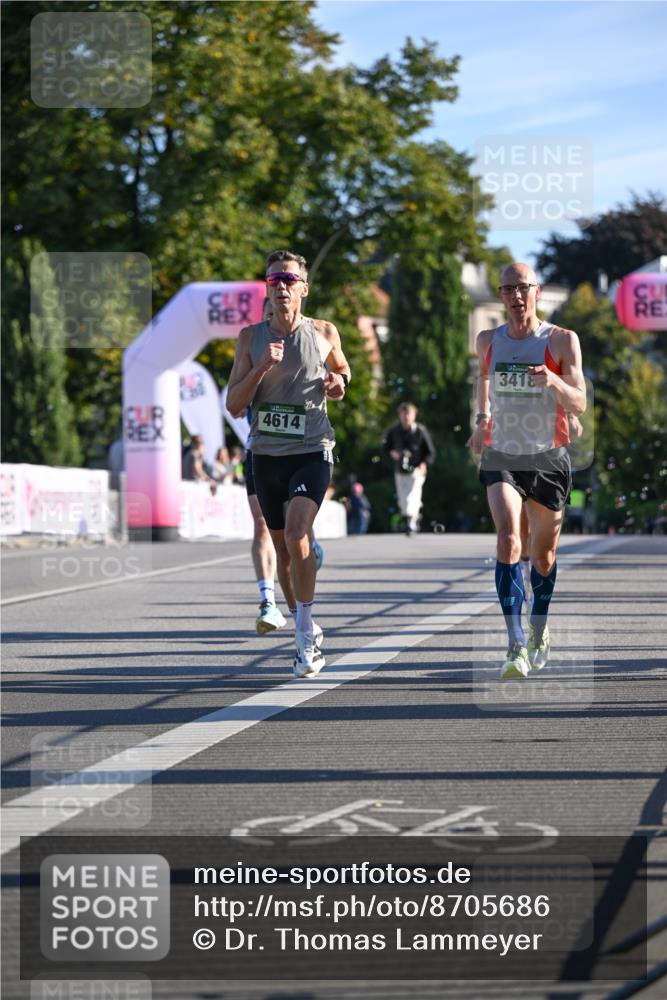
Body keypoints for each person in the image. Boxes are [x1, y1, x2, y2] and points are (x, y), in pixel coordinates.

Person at [227, 249, 351, 677]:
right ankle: (308, 624)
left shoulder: (323, 332)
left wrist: (339, 383)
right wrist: (261, 366)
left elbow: (343, 372)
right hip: (267, 455)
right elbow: (233, 403)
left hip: (313, 449)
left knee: (299, 535)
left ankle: (302, 637)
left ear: (304, 288)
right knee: (282, 550)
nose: (281, 286)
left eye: (289, 279)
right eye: (274, 279)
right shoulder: (250, 338)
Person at [468, 262, 586, 680]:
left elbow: (580, 402)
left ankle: (538, 626)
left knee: (544, 555)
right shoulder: (487, 341)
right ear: (501, 296)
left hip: (548, 457)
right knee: (508, 537)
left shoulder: (561, 340)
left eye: (523, 288)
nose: (515, 296)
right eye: (507, 289)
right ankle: (515, 640)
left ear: (537, 291)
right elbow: (483, 380)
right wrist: (482, 422)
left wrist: (553, 384)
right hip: (504, 454)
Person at [383, 402, 436, 535]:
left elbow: (430, 452)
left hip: (417, 470)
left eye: (409, 414)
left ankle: (411, 524)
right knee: (402, 500)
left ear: (414, 415)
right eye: (404, 413)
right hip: (400, 470)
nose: (406, 417)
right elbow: (385, 446)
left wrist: (424, 464)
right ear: (400, 415)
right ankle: (413, 518)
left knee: (412, 496)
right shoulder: (393, 431)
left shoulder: (420, 431)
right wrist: (392, 453)